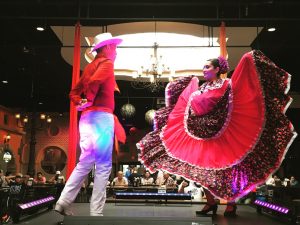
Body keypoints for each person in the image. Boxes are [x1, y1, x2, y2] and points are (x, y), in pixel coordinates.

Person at [137, 50, 297, 217]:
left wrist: (248, 60)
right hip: (200, 136)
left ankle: (230, 203)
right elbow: (192, 108)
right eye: (203, 67)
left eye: (207, 67)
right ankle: (210, 202)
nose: (204, 70)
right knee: (202, 171)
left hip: (223, 135)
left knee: (226, 170)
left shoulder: (227, 85)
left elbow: (237, 99)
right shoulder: (201, 88)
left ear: (217, 69)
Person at [55, 32, 126, 216]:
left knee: (85, 162)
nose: (117, 52)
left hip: (86, 119)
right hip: (102, 118)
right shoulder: (107, 64)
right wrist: (89, 98)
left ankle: (63, 202)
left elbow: (73, 92)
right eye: (115, 47)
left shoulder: (89, 67)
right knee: (103, 166)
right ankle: (96, 212)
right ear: (107, 47)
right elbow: (95, 82)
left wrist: (81, 102)